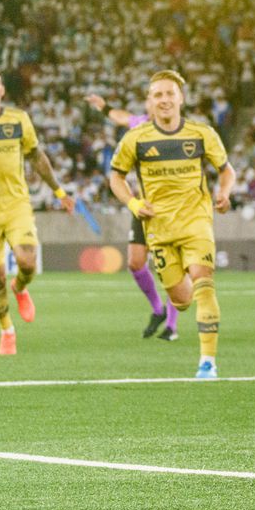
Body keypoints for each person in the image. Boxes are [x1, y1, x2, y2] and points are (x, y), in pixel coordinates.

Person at [108, 71, 235, 379]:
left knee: (204, 286)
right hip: (159, 231)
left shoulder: (201, 133)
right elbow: (116, 177)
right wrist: (134, 203)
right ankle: (177, 305)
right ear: (149, 103)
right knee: (181, 301)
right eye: (158, 95)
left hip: (197, 224)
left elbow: (226, 170)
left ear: (181, 98)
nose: (165, 100)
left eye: (170, 94)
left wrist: (223, 192)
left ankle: (208, 362)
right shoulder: (135, 139)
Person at [86, 93, 180, 340]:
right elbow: (121, 117)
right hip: (143, 205)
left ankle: (171, 326)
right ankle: (157, 310)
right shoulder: (140, 124)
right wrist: (104, 106)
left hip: (172, 208)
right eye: (151, 98)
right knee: (135, 262)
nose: (153, 102)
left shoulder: (179, 129)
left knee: (171, 267)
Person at [0, 72, 76, 356]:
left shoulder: (18, 120)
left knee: (27, 262)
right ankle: (7, 330)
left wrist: (59, 192)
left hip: (16, 205)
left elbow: (37, 157)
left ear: (2, 90)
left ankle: (20, 287)